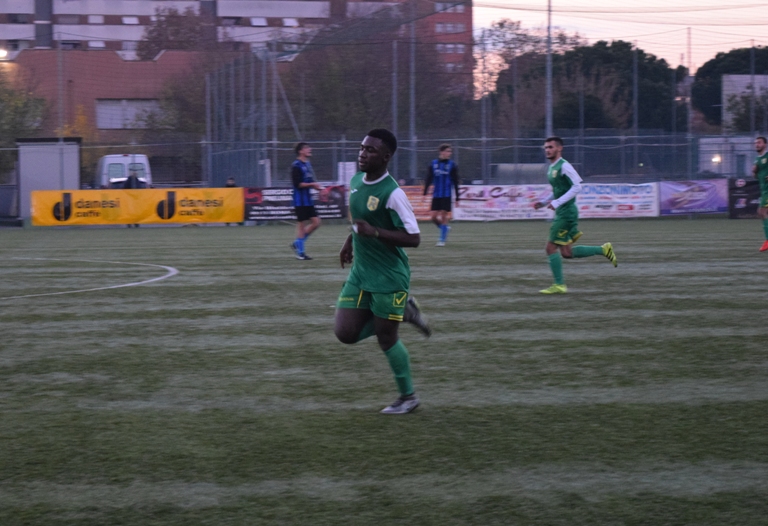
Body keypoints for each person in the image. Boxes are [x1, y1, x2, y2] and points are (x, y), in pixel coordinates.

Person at [335, 128, 431, 415]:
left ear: (386, 157)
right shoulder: (355, 181)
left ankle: (408, 397)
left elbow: (414, 238)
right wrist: (350, 240)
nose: (363, 153)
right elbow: (361, 219)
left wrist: (374, 232)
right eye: (362, 148)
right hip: (361, 273)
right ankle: (404, 313)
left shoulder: (394, 194)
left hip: (389, 277)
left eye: (371, 150)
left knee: (386, 337)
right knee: (345, 333)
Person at [533, 136, 617, 294]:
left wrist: (557, 203)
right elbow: (558, 190)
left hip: (567, 213)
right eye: (546, 148)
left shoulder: (565, 166)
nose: (548, 150)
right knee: (566, 253)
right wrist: (544, 202)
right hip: (562, 212)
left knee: (550, 248)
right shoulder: (552, 168)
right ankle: (604, 249)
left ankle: (559, 285)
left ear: (559, 148)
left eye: (550, 147)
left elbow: (577, 187)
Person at [423, 143, 460, 246]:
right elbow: (429, 178)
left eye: (450, 151)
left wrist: (457, 197)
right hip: (436, 194)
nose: (450, 153)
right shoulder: (433, 164)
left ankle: (441, 240)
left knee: (443, 215)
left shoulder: (452, 165)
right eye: (448, 151)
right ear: (442, 152)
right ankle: (445, 229)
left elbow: (456, 181)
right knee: (433, 217)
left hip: (446, 194)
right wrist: (425, 192)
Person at [291, 142, 322, 260]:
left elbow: (309, 181)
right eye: (306, 148)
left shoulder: (307, 164)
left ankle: (298, 243)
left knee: (317, 222)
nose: (310, 149)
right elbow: (297, 184)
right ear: (300, 151)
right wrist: (312, 184)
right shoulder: (296, 165)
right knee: (301, 224)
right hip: (299, 201)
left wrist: (317, 187)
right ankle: (301, 253)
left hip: (308, 200)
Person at [752, 136, 768, 252]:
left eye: (759, 142)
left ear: (765, 144)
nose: (757, 144)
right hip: (764, 190)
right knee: (763, 213)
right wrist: (754, 172)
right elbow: (757, 175)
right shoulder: (757, 159)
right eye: (755, 143)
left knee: (762, 212)